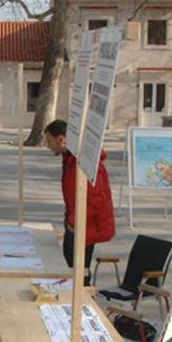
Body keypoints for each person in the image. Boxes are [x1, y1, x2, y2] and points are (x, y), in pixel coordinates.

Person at [44, 119, 115, 285]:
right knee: (72, 269)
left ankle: (83, 298)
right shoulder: (70, 158)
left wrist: (73, 222)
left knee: (78, 272)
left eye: (49, 141)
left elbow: (96, 199)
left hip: (85, 226)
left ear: (61, 139)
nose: (48, 146)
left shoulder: (83, 162)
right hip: (77, 223)